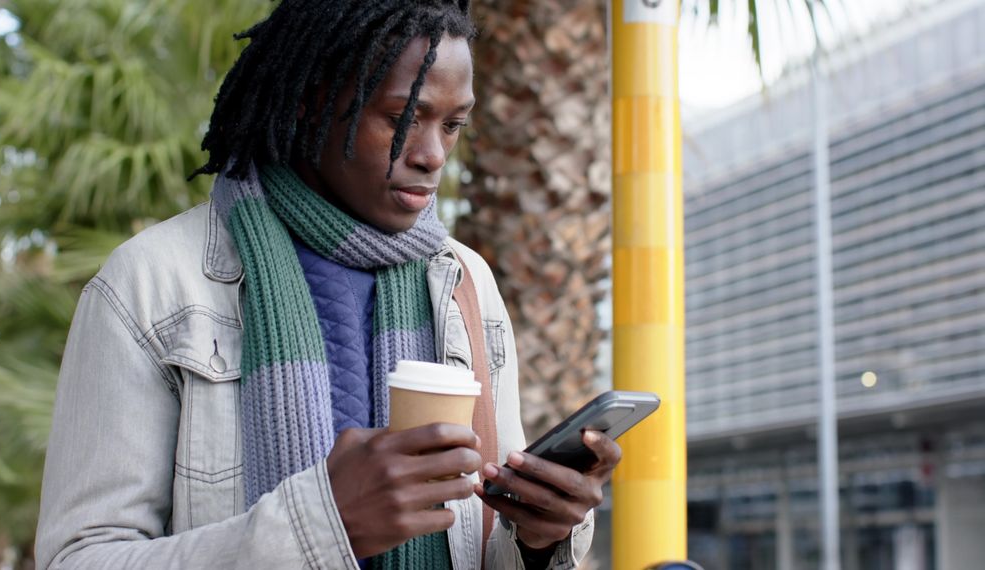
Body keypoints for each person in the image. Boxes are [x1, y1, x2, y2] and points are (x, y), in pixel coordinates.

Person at [35, 1, 622, 568]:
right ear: (309, 103)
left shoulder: (464, 282)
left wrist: (540, 536)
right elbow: (81, 557)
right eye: (400, 119)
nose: (432, 154)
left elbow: (485, 547)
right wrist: (322, 525)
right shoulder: (153, 283)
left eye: (453, 124)